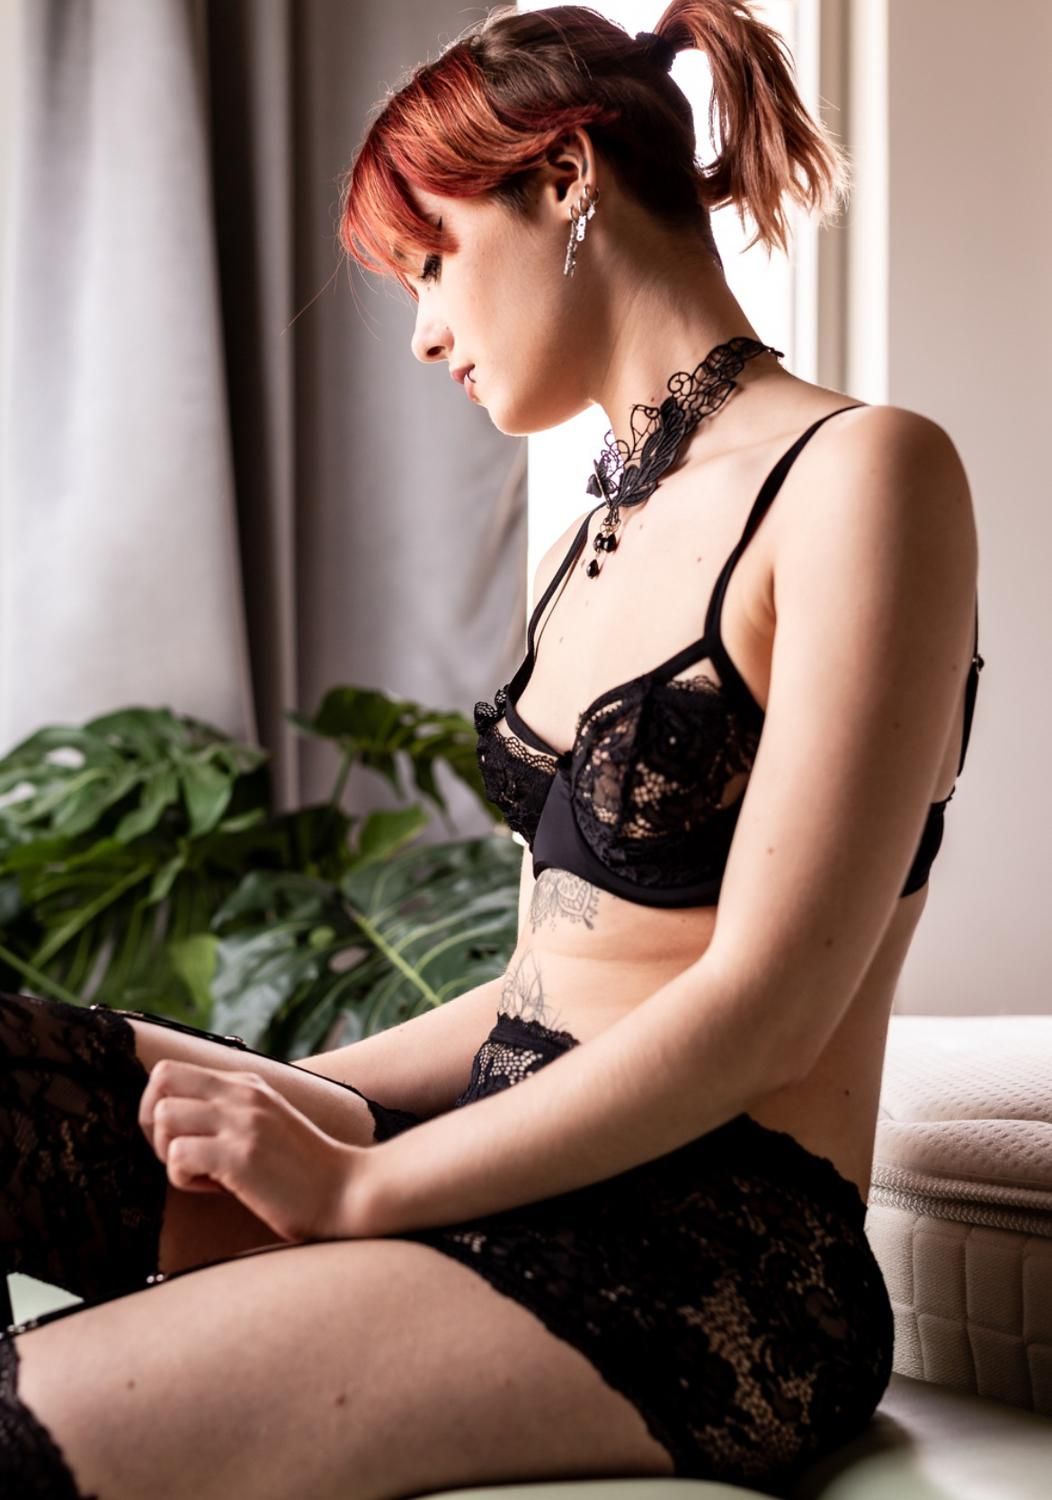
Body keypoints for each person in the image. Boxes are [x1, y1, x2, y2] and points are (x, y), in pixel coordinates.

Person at [0, 3, 985, 1496]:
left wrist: (362, 1185)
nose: (423, 331)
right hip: (502, 1139)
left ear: (566, 178)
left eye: (432, 260)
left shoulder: (864, 475)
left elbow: (766, 1009)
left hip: (705, 1246)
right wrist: (296, 1095)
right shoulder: (598, 538)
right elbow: (550, 983)